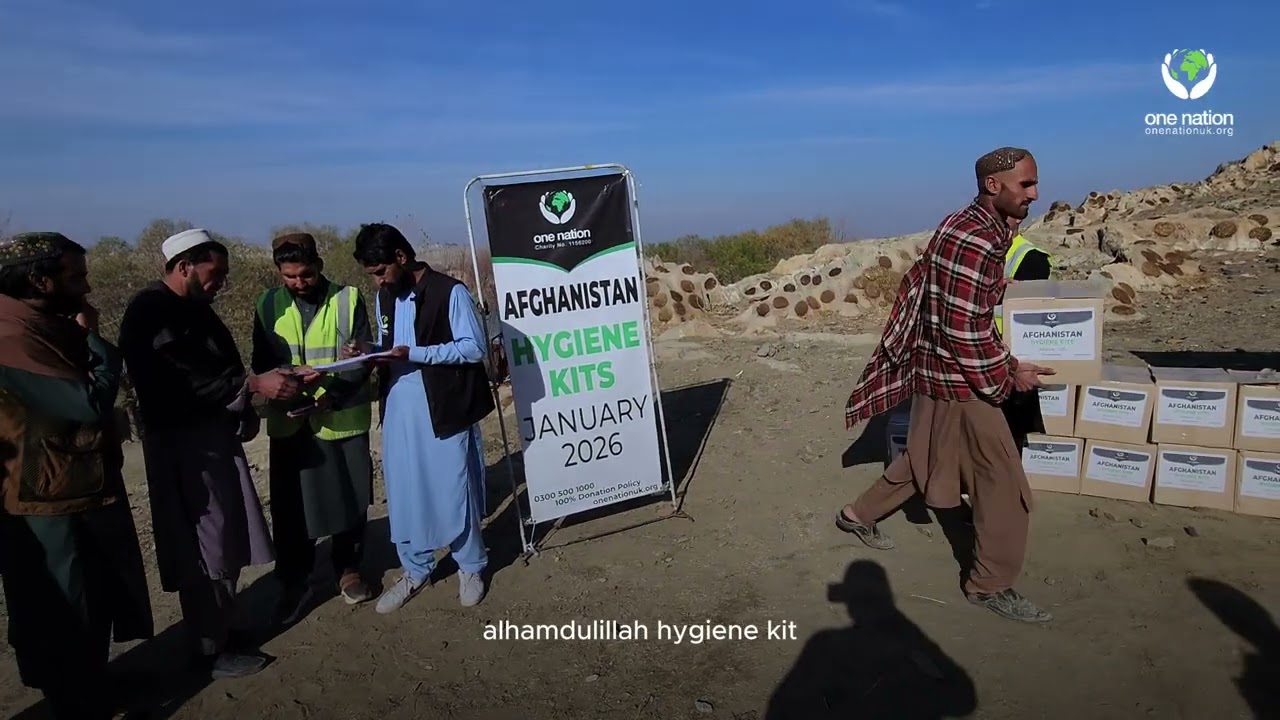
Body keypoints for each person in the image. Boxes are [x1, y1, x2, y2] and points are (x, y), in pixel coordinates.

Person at [835, 147, 1057, 624]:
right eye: (1026, 185)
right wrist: (1009, 371)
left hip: (936, 370)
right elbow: (965, 330)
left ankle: (857, 516)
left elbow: (950, 290)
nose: (1035, 194)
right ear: (993, 185)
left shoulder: (967, 223)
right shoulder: (977, 238)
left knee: (926, 458)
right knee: (1002, 483)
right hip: (961, 377)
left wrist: (996, 289)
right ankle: (989, 585)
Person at [117, 228, 297, 678]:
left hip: (214, 442)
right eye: (215, 273)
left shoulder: (195, 307)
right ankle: (209, 649)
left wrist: (246, 402)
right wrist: (251, 386)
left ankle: (222, 630)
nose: (221, 283)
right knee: (204, 549)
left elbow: (221, 368)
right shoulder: (150, 312)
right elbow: (178, 381)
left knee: (225, 538)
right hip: (186, 452)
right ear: (184, 267)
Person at [0, 232, 155, 718]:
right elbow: (85, 403)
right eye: (77, 277)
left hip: (71, 485)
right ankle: (75, 702)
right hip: (43, 497)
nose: (86, 287)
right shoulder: (12, 337)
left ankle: (92, 684)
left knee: (92, 593)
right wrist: (94, 339)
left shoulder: (38, 323)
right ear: (39, 280)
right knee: (61, 606)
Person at [343, 222, 495, 612]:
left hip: (444, 406)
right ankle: (415, 569)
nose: (378, 280)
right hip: (399, 407)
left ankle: (470, 566)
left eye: (381, 271)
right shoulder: (385, 296)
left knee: (453, 486)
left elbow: (473, 348)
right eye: (372, 274)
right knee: (405, 491)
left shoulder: (450, 291)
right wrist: (369, 351)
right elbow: (392, 346)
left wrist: (416, 354)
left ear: (401, 256)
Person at [251, 232, 376, 621]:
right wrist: (286, 378)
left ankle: (348, 569)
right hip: (291, 422)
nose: (299, 283)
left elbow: (364, 357)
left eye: (305, 274)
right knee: (291, 508)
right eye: (289, 276)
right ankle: (295, 580)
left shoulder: (348, 299)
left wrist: (330, 394)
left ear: (319, 266)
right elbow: (261, 361)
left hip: (339, 418)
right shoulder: (266, 303)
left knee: (349, 498)